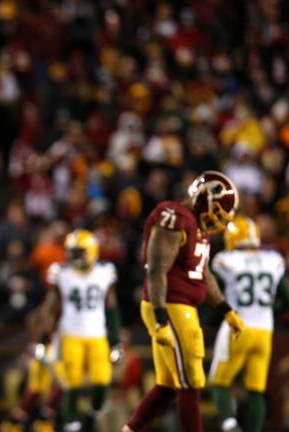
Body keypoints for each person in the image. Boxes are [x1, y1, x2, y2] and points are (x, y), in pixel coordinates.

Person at [122, 171, 246, 432]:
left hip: (179, 307)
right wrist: (160, 319)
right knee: (192, 380)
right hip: (171, 306)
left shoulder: (197, 226)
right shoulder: (174, 217)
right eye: (218, 215)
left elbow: (203, 274)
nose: (218, 223)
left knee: (168, 386)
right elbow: (156, 270)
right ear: (205, 199)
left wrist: (226, 310)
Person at [208, 216, 289, 432]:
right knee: (256, 390)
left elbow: (212, 294)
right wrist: (268, 311)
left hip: (237, 327)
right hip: (265, 332)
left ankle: (230, 426)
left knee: (218, 383)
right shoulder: (272, 259)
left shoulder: (226, 260)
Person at [42, 229, 122, 432]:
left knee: (102, 383)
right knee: (72, 385)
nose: (73, 257)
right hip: (70, 334)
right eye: (71, 252)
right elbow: (50, 307)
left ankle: (91, 416)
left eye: (78, 252)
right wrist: (44, 339)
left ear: (92, 251)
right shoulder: (61, 272)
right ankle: (72, 426)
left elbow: (111, 306)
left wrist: (116, 339)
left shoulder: (105, 271)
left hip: (97, 334)